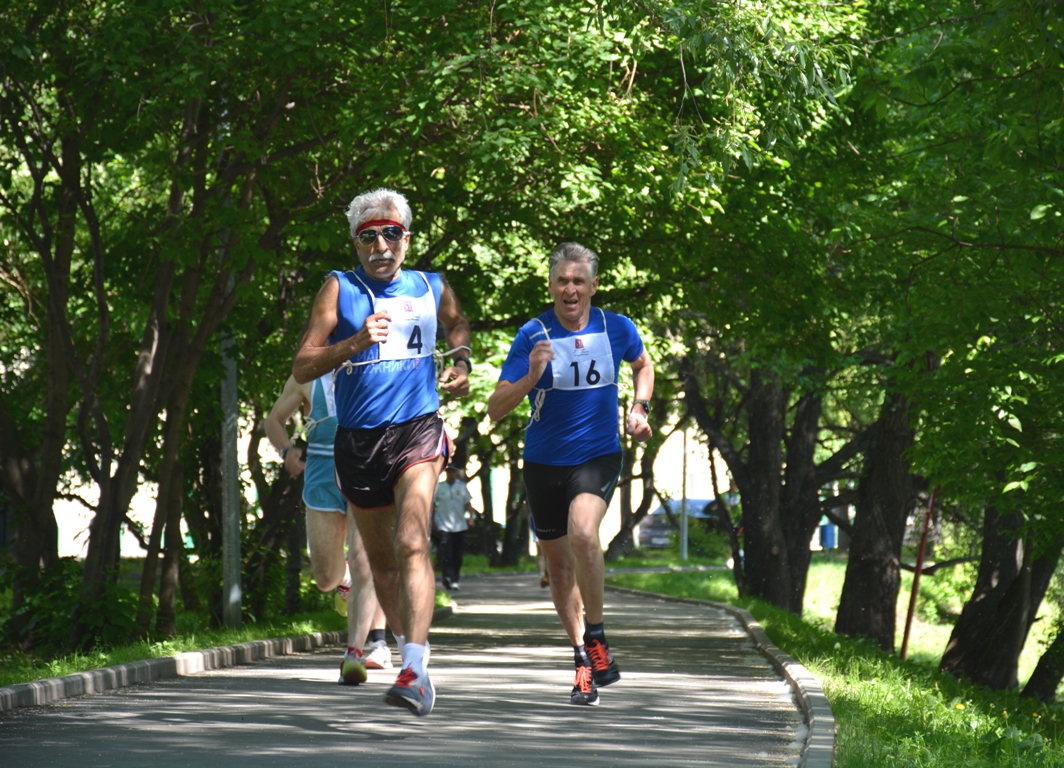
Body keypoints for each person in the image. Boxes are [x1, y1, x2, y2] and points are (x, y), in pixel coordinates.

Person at [292, 187, 471, 717]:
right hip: (357, 440)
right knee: (383, 564)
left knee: (413, 540)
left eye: (390, 233)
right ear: (355, 242)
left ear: (406, 238)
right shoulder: (338, 289)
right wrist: (353, 344)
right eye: (368, 236)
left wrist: (460, 362)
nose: (380, 244)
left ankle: (416, 668)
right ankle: (406, 656)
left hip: (418, 430)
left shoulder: (429, 286)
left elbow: (457, 324)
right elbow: (303, 365)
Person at [487, 242, 654, 707]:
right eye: (562, 281)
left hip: (597, 454)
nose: (571, 289)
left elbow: (643, 364)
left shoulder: (615, 327)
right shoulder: (533, 334)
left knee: (584, 533)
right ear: (551, 286)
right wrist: (530, 376)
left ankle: (597, 637)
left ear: (593, 286)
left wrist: (639, 408)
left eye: (579, 281)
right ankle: (582, 659)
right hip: (543, 463)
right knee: (560, 572)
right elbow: (495, 409)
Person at [264, 373, 393, 686]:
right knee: (325, 579)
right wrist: (286, 451)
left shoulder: (379, 366)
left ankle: (362, 649)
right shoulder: (308, 377)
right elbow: (274, 421)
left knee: (367, 563)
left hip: (367, 472)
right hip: (322, 475)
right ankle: (345, 581)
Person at [433, 466, 476, 590]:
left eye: (453, 472)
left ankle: (455, 578)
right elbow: (433, 504)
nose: (451, 474)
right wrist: (433, 521)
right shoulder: (440, 487)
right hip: (444, 524)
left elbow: (468, 504)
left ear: (456, 473)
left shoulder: (461, 487)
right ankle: (446, 576)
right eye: (449, 472)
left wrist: (471, 517)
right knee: (446, 551)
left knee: (457, 553)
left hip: (459, 525)